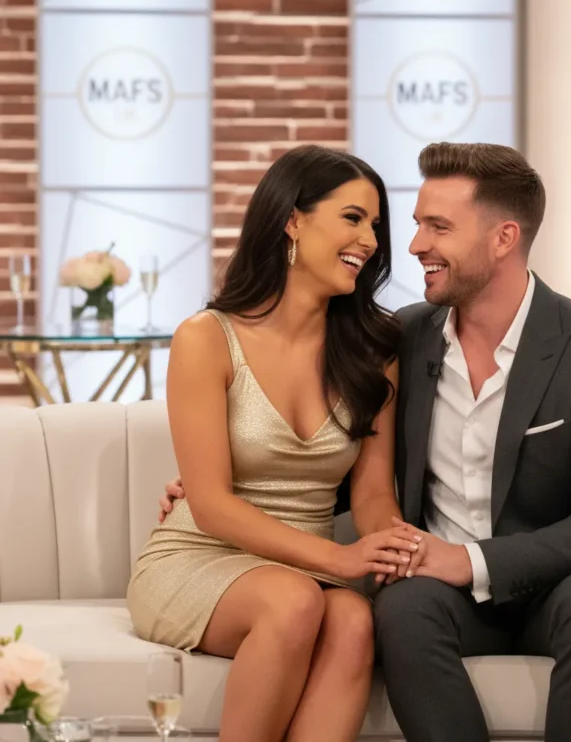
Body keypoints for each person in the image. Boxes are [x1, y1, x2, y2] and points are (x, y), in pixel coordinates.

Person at [160, 142, 571, 742]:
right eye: (414, 226)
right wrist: (216, 484)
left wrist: (467, 561)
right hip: (433, 587)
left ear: (503, 238)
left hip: (567, 581)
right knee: (402, 609)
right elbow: (356, 462)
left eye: (436, 227)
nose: (411, 246)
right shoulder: (402, 339)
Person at [127, 144, 425, 742]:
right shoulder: (205, 338)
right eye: (352, 218)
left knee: (354, 622)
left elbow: (371, 494)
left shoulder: (375, 348)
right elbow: (209, 505)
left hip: (305, 567)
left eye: (375, 225)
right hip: (199, 557)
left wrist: (391, 547)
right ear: (292, 219)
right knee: (293, 604)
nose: (369, 240)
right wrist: (341, 560)